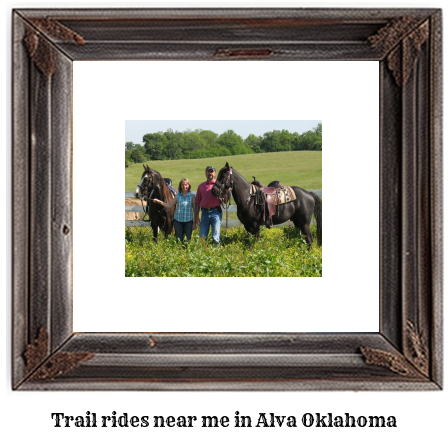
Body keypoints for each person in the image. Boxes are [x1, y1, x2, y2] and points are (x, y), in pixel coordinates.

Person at [153, 178, 196, 242]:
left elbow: (195, 210)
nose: (184, 186)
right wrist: (159, 201)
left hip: (188, 221)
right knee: (178, 240)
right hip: (178, 221)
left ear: (189, 186)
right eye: (182, 185)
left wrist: (194, 223)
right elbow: (169, 205)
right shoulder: (177, 196)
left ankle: (186, 251)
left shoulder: (192, 196)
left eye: (186, 185)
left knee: (188, 239)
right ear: (180, 186)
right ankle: (179, 251)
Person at [194, 165, 228, 244]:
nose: (210, 173)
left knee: (215, 237)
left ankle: (215, 253)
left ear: (215, 173)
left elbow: (225, 201)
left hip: (216, 212)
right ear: (205, 174)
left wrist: (227, 192)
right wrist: (196, 216)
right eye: (208, 172)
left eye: (211, 172)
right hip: (204, 213)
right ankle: (203, 252)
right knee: (202, 237)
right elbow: (197, 202)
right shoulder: (201, 186)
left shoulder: (219, 185)